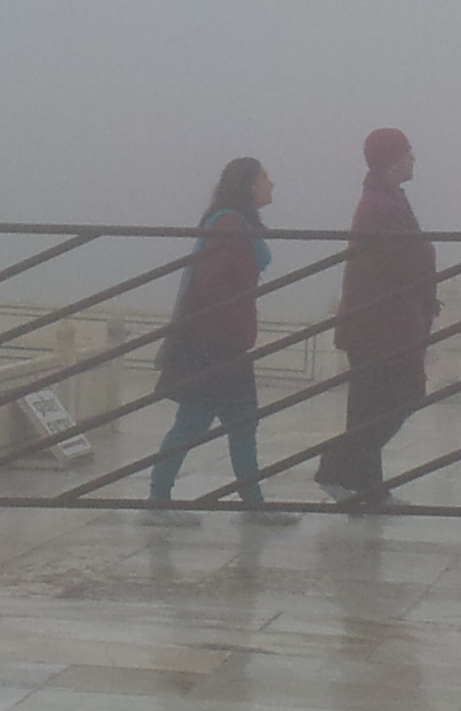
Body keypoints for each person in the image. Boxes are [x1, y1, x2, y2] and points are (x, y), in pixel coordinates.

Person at [145, 158, 292, 522]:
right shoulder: (229, 224)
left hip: (227, 344)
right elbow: (211, 283)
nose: (271, 184)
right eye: (264, 177)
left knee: (241, 422)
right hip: (213, 346)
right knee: (194, 422)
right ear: (247, 184)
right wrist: (234, 325)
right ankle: (158, 500)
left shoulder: (238, 223)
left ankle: (252, 503)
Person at [315, 129, 436, 510]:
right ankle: (334, 469)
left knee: (370, 408)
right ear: (393, 160)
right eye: (408, 152)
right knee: (400, 395)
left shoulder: (388, 198)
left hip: (384, 321)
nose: (414, 158)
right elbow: (400, 260)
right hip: (378, 325)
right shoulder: (378, 205)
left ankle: (371, 490)